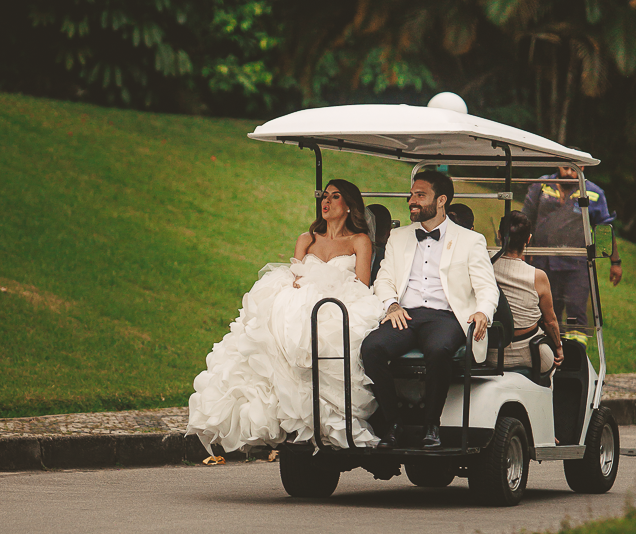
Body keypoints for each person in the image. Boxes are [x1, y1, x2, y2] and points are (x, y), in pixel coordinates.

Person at [187, 179, 384, 454]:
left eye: (335, 197)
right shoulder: (307, 239)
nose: (326, 202)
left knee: (324, 326)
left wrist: (328, 286)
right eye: (324, 196)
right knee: (282, 315)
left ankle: (321, 411)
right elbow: (295, 278)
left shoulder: (358, 241)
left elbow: (362, 284)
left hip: (339, 302)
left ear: (349, 206)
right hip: (301, 303)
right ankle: (283, 406)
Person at [362, 169, 499, 449]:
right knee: (371, 348)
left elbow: (487, 287)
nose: (412, 200)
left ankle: (431, 425)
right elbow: (384, 279)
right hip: (406, 315)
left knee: (439, 350)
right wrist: (392, 305)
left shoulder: (470, 240)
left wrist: (483, 312)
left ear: (441, 201)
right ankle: (394, 422)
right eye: (412, 194)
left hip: (446, 317)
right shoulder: (398, 237)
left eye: (420, 195)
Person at [521, 165, 621, 343]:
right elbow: (525, 219)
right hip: (542, 263)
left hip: (577, 265)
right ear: (558, 165)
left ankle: (576, 357)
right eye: (566, 167)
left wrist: (615, 262)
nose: (569, 173)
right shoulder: (541, 186)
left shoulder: (594, 193)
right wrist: (519, 251)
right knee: (547, 311)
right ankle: (549, 352)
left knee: (576, 310)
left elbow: (604, 229)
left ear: (582, 168)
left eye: (574, 169)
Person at [489, 211, 563, 376]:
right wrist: (558, 347)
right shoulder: (538, 276)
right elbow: (550, 322)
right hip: (530, 353)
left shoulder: (485, 265)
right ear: (528, 239)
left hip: (491, 354)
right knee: (553, 364)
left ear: (499, 235)